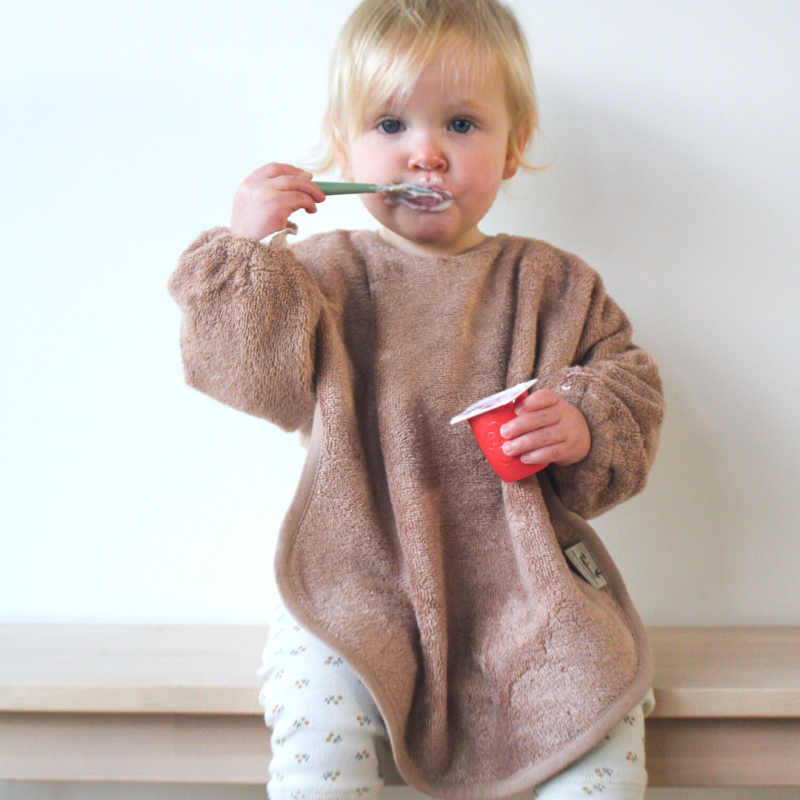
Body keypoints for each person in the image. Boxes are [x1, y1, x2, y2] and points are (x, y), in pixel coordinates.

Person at [168, 0, 665, 798]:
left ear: (514, 149)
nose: (426, 153)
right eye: (391, 125)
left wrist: (581, 418)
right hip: (349, 577)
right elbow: (244, 375)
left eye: (462, 125)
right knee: (315, 737)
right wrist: (247, 252)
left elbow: (625, 381)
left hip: (525, 590)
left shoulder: (553, 285)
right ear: (342, 146)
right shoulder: (319, 277)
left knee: (595, 723)